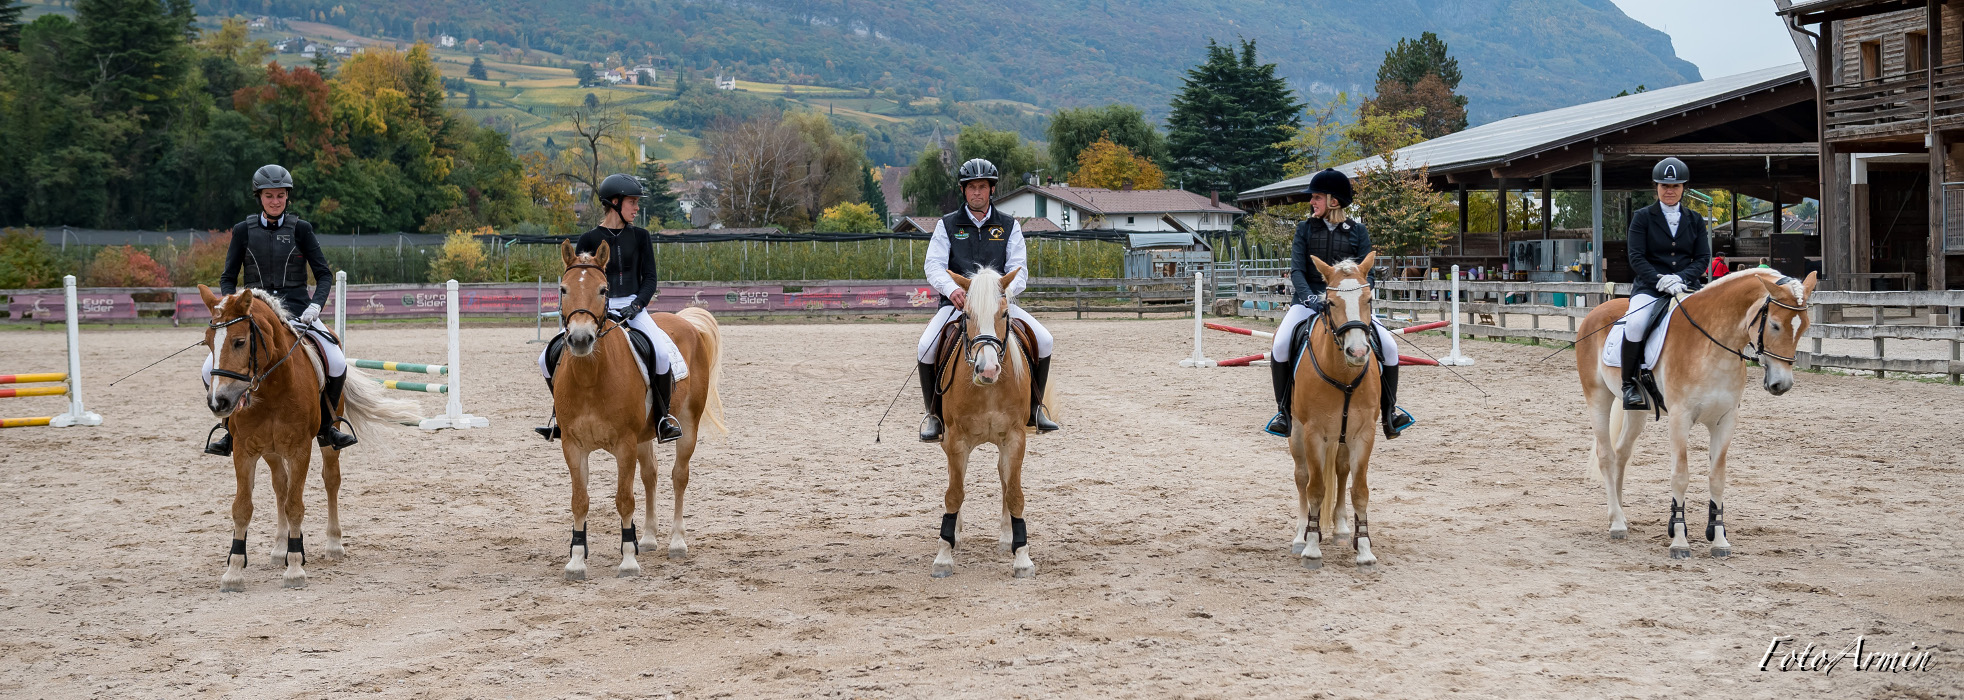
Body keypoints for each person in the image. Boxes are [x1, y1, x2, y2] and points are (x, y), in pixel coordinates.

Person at [203, 164, 356, 456]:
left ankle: (328, 426)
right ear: (259, 197)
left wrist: (315, 305)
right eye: (269, 196)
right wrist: (230, 306)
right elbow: (227, 277)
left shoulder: (301, 229)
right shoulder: (242, 231)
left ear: (287, 197)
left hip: (298, 311)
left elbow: (324, 274)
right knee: (207, 368)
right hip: (253, 315)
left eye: (281, 196)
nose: (275, 201)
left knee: (335, 360)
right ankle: (229, 429)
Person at [535, 173, 686, 444]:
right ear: (615, 202)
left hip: (633, 307)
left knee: (661, 354)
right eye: (632, 202)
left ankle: (663, 419)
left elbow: (650, 278)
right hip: (592, 309)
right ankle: (561, 417)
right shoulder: (589, 238)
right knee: (545, 358)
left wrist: (637, 304)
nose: (636, 207)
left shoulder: (640, 236)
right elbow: (579, 279)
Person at [916, 158, 1059, 442]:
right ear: (963, 191)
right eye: (971, 188)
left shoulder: (1009, 226)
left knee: (1045, 340)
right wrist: (952, 290)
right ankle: (934, 415)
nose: (977, 193)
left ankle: (1034, 410)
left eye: (982, 187)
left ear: (991, 190)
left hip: (999, 306)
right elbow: (933, 265)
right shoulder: (947, 225)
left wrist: (1001, 295)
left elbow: (1019, 269)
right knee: (924, 348)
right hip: (959, 305)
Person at [1262, 168, 1412, 440]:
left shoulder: (1358, 231)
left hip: (1350, 304)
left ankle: (1390, 412)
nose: (1312, 202)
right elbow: (1297, 270)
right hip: (1308, 302)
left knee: (1389, 347)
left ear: (1334, 201)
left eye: (1317, 197)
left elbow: (1370, 275)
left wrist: (1358, 299)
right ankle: (1284, 412)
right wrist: (1310, 298)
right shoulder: (1305, 229)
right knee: (1281, 343)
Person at [1617, 157, 1713, 411]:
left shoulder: (1695, 219)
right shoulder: (1642, 218)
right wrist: (1659, 279)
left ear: (1683, 188)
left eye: (1675, 187)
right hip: (1649, 287)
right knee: (1636, 324)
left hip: (1686, 286)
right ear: (1656, 187)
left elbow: (1703, 258)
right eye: (1664, 186)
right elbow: (1636, 257)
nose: (1669, 191)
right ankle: (1629, 384)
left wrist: (1681, 277)